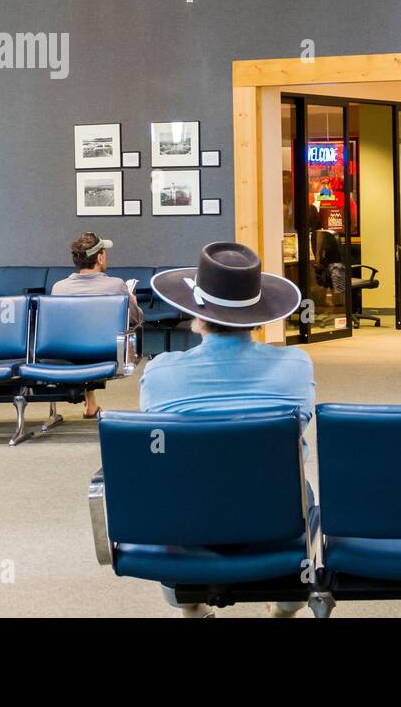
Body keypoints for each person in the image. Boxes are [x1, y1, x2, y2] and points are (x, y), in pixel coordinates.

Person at [141, 242, 311, 617]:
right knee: (301, 489)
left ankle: (191, 603)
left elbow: (159, 447)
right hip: (277, 515)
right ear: (259, 318)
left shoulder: (160, 371)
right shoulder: (296, 366)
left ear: (196, 317)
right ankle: (287, 603)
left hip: (189, 516)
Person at [51, 232, 144, 418]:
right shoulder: (116, 285)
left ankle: (90, 404)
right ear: (100, 257)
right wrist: (133, 301)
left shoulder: (59, 287)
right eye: (105, 253)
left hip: (66, 352)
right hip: (104, 351)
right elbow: (136, 319)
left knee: (81, 337)